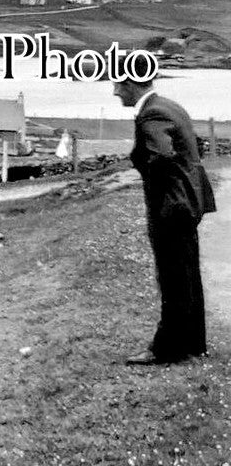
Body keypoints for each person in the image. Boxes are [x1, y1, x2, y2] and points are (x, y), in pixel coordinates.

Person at [113, 75, 216, 365]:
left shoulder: (151, 113)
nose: (115, 92)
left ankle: (167, 349)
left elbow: (161, 155)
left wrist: (152, 178)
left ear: (132, 84)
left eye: (117, 85)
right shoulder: (170, 106)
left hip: (171, 206)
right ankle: (193, 344)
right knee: (186, 274)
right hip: (187, 202)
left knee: (172, 277)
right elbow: (192, 146)